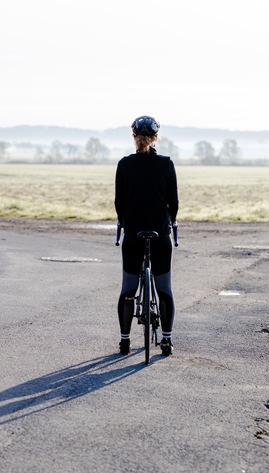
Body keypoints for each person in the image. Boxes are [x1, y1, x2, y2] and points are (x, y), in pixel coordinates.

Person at [115, 115, 179, 356]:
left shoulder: (124, 164)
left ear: (134, 137)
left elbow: (119, 203)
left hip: (133, 234)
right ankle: (166, 340)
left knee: (128, 289)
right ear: (155, 138)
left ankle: (124, 340)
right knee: (164, 289)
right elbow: (173, 202)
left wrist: (126, 222)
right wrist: (170, 222)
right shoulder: (166, 164)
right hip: (160, 234)